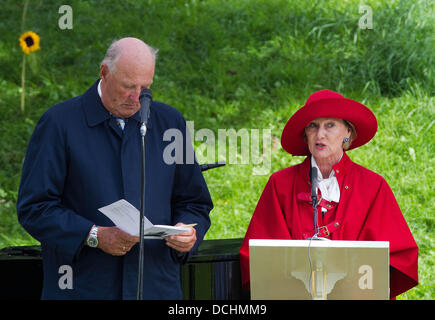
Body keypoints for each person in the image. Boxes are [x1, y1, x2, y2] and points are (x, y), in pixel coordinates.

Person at [16, 37, 213, 299]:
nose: (137, 98)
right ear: (104, 73)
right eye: (128, 87)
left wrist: (189, 235)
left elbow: (195, 203)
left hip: (156, 286)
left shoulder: (170, 123)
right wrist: (93, 235)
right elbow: (35, 208)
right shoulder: (59, 124)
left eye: (146, 88)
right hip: (84, 287)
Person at [239, 89, 418, 299]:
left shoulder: (372, 186)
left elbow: (396, 257)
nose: (320, 134)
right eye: (313, 126)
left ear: (348, 132)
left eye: (330, 125)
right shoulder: (280, 184)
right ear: (305, 134)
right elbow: (259, 257)